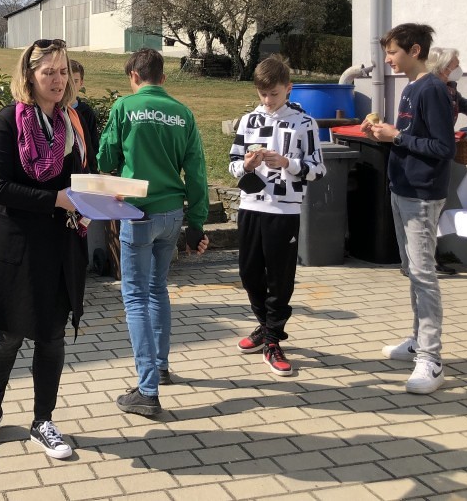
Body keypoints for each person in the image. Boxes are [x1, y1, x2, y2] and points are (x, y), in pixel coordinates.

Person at [0, 38, 89, 459]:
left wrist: (94, 203)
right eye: (48, 72)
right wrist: (55, 199)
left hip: (59, 244)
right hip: (14, 245)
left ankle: (43, 421)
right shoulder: (7, 121)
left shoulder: (73, 122)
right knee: (9, 334)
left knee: (52, 336)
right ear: (29, 76)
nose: (57, 80)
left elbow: (82, 178)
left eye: (63, 71)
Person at [97, 47, 209, 416]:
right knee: (157, 289)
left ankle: (147, 390)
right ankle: (160, 367)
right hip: (172, 215)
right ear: (162, 78)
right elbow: (197, 172)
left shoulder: (124, 107)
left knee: (135, 297)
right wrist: (197, 224)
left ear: (133, 76)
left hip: (138, 214)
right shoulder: (183, 113)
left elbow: (106, 158)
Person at [362, 23, 456, 395]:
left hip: (422, 196)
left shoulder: (432, 89)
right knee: (412, 271)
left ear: (414, 51)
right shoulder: (411, 88)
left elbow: (444, 147)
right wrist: (385, 134)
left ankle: (432, 359)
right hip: (401, 190)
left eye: (392, 52)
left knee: (423, 275)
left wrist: (397, 136)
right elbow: (411, 138)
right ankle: (418, 341)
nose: (387, 60)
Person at [230, 54, 327, 376]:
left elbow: (318, 170)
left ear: (289, 88)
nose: (268, 100)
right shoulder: (248, 120)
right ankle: (266, 326)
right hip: (250, 205)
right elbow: (233, 164)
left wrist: (287, 163)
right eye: (263, 94)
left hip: (284, 209)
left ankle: (272, 339)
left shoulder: (304, 123)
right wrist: (246, 165)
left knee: (280, 278)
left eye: (274, 93)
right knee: (249, 273)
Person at [426, 46, 467, 275]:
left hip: (442, 153)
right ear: (443, 68)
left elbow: (459, 101)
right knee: (428, 209)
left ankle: (430, 259)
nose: (459, 68)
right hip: (432, 153)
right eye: (455, 65)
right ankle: (425, 262)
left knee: (435, 207)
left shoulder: (450, 87)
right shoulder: (432, 89)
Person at [70, 59, 100, 173]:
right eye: (68, 80)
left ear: (81, 83)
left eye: (75, 81)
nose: (71, 85)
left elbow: (93, 146)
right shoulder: (52, 110)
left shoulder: (86, 112)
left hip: (82, 172)